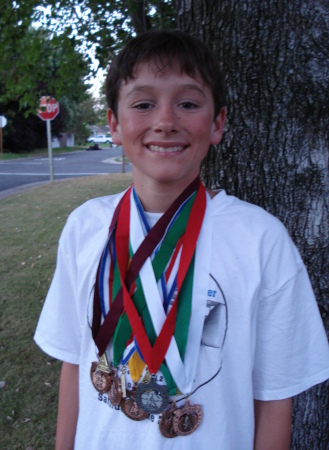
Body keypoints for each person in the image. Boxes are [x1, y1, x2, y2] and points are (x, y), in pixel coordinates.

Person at [34, 29, 329, 450]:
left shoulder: (261, 240)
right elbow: (74, 363)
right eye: (143, 103)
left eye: (188, 103)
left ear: (217, 123)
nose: (166, 121)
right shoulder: (85, 227)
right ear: (114, 124)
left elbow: (275, 397)